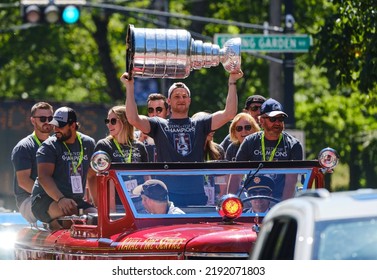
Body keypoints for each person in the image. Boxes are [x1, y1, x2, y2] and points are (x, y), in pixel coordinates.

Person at [121, 69, 243, 206]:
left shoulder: (200, 123)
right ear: (169, 101)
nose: (181, 99)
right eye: (176, 96)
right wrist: (130, 86)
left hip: (196, 195)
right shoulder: (159, 124)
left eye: (184, 96)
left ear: (189, 100)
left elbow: (229, 114)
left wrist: (232, 81)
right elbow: (133, 119)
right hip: (167, 197)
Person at [31, 106, 97, 230]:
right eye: (54, 125)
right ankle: (53, 226)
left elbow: (92, 175)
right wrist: (60, 199)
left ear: (72, 125)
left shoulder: (88, 143)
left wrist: (98, 204)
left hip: (75, 200)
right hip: (45, 199)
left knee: (96, 217)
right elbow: (44, 177)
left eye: (60, 126)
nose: (55, 129)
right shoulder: (48, 147)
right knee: (69, 215)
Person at [228, 98, 303, 200]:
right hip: (251, 199)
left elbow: (291, 182)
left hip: (278, 199)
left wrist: (281, 207)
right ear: (261, 120)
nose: (277, 123)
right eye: (273, 119)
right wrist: (230, 202)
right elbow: (236, 176)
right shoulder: (250, 141)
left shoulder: (294, 145)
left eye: (280, 119)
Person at [87, 105, 149, 211]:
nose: (109, 125)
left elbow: (147, 176)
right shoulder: (104, 145)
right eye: (107, 121)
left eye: (113, 121)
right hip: (115, 205)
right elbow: (91, 175)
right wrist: (99, 204)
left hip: (140, 204)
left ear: (124, 121)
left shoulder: (139, 146)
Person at [11, 102, 54, 224]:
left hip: (55, 197)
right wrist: (55, 196)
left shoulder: (57, 145)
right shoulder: (24, 147)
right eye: (42, 118)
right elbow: (23, 182)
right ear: (33, 121)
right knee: (60, 208)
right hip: (29, 200)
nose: (47, 121)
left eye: (50, 118)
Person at [136, 93, 170, 162]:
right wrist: (140, 142)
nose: (154, 114)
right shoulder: (136, 136)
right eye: (151, 110)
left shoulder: (174, 133)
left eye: (159, 110)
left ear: (167, 111)